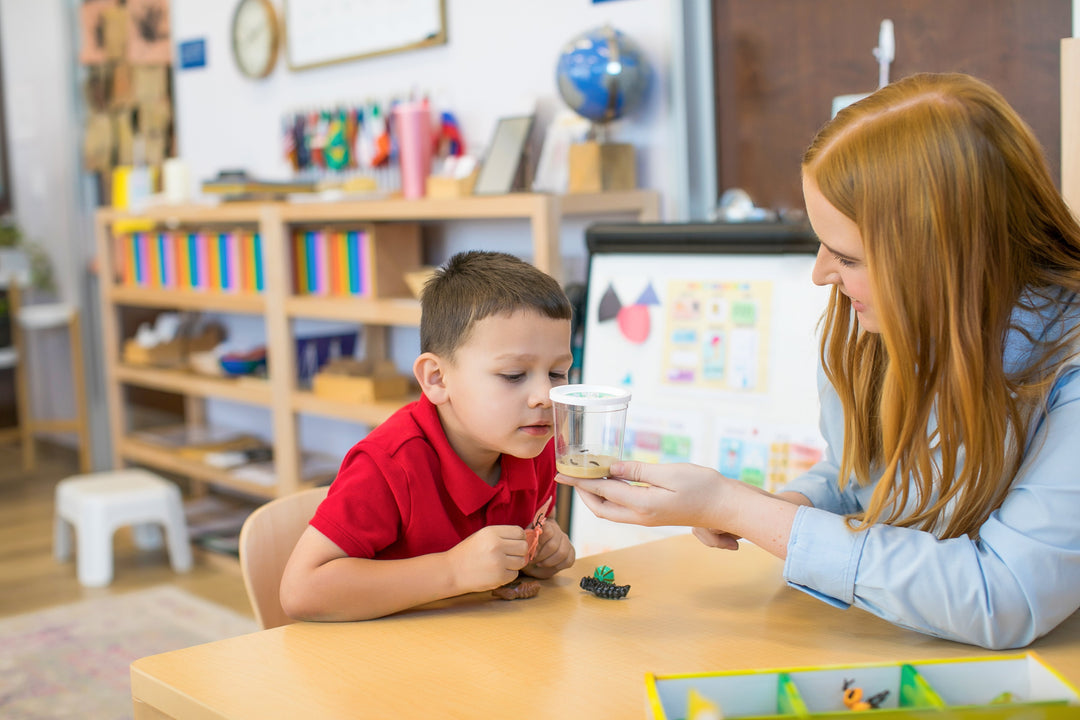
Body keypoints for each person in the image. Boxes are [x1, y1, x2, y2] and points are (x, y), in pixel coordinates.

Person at [557, 72, 1080, 649]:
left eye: (848, 256)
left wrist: (741, 510)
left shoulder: (1066, 377)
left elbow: (1001, 595)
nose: (819, 273)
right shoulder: (882, 333)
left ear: (942, 258)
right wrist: (781, 507)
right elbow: (864, 480)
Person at [281, 250, 577, 621]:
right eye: (514, 375)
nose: (545, 397)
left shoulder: (533, 443)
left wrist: (540, 554)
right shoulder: (388, 466)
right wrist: (452, 570)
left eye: (557, 373)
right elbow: (300, 591)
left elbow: (498, 567)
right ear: (437, 379)